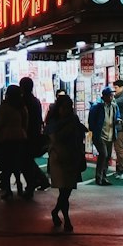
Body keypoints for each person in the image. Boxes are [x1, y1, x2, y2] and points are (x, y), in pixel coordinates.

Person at [45, 92, 87, 232]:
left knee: (66, 190)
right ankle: (66, 219)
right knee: (64, 189)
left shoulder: (73, 121)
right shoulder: (54, 123)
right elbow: (54, 138)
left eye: (69, 107)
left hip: (71, 157)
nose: (67, 111)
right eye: (64, 107)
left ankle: (56, 212)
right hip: (58, 158)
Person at [0, 85, 29, 199]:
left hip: (6, 139)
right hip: (20, 138)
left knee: (7, 165)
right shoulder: (22, 107)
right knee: (16, 165)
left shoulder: (5, 107)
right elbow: (25, 123)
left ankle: (8, 191)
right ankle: (19, 186)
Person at [19, 75, 50, 194]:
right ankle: (41, 181)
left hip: (25, 135)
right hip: (34, 134)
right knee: (27, 160)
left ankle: (33, 183)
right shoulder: (35, 101)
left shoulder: (23, 101)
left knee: (25, 160)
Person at [88, 85, 117, 185]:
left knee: (107, 156)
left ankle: (103, 177)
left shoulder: (114, 106)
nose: (111, 97)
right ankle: (99, 177)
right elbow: (91, 120)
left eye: (112, 95)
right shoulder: (97, 106)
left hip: (110, 134)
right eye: (110, 95)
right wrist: (93, 130)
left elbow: (116, 117)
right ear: (104, 96)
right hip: (100, 135)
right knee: (103, 154)